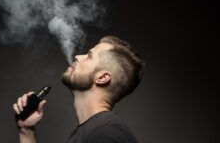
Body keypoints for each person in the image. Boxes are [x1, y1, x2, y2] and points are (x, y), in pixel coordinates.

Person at [13, 36, 145, 143]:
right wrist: (26, 131)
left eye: (89, 56)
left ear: (102, 77)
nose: (77, 56)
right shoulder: (96, 131)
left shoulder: (105, 135)